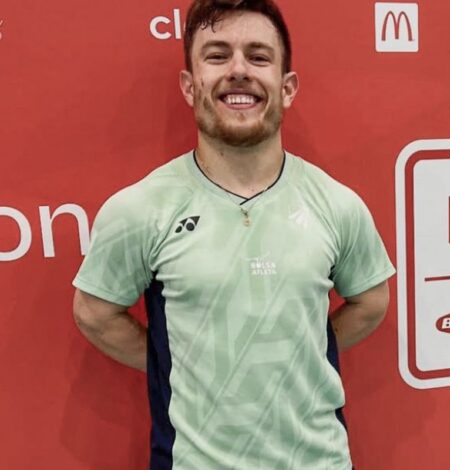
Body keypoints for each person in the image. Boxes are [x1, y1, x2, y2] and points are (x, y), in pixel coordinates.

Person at [71, 0, 395, 468]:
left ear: (287, 88)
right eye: (218, 55)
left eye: (258, 57)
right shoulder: (140, 209)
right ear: (190, 85)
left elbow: (371, 301)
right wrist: (185, 367)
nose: (239, 70)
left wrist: (296, 352)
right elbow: (95, 312)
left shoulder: (337, 204)